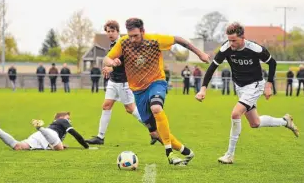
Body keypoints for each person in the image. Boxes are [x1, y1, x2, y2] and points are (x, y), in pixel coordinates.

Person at [104, 18, 210, 165]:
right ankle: (186, 151)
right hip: (138, 91)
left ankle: (169, 153)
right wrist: (112, 63)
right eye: (130, 36)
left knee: (156, 107)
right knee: (154, 132)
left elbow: (178, 40)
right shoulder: (124, 42)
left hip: (156, 82)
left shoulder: (154, 40)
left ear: (143, 31)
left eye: (136, 35)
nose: (133, 39)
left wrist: (200, 54)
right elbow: (106, 58)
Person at [195, 22, 299, 164]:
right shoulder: (226, 48)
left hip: (255, 85)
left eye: (234, 40)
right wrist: (203, 88)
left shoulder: (254, 48)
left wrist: (268, 85)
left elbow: (272, 63)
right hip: (240, 87)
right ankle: (285, 121)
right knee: (255, 123)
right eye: (229, 40)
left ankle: (229, 155)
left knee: (235, 113)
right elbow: (212, 67)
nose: (231, 43)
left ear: (243, 37)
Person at [86, 20, 161, 146]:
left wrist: (112, 68)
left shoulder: (124, 44)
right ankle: (100, 137)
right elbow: (112, 61)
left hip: (123, 82)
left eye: (112, 31)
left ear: (117, 31)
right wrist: (110, 67)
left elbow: (128, 63)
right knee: (106, 106)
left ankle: (153, 129)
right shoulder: (112, 46)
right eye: (108, 31)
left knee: (130, 109)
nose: (110, 34)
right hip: (113, 81)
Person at [0, 112, 97, 150]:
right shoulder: (62, 121)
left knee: (18, 146)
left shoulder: (55, 124)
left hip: (39, 135)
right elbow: (75, 134)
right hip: (48, 133)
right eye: (68, 118)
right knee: (59, 148)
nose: (69, 120)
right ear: (60, 118)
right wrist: (87, 146)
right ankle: (39, 127)